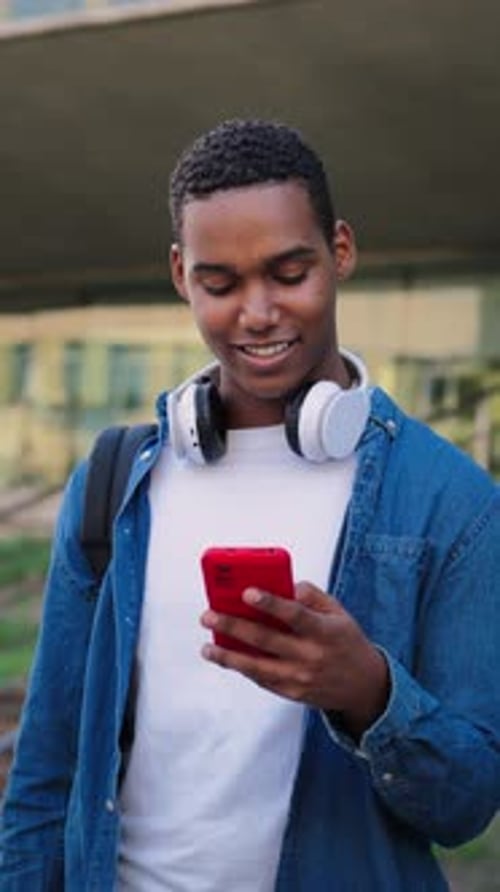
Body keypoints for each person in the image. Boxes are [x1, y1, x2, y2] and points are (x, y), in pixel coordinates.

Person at [1, 119, 500, 892]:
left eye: (288, 273)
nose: (257, 312)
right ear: (180, 274)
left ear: (340, 251)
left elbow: (467, 803)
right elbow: (47, 767)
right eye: (221, 283)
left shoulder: (453, 503)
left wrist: (367, 691)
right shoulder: (111, 484)